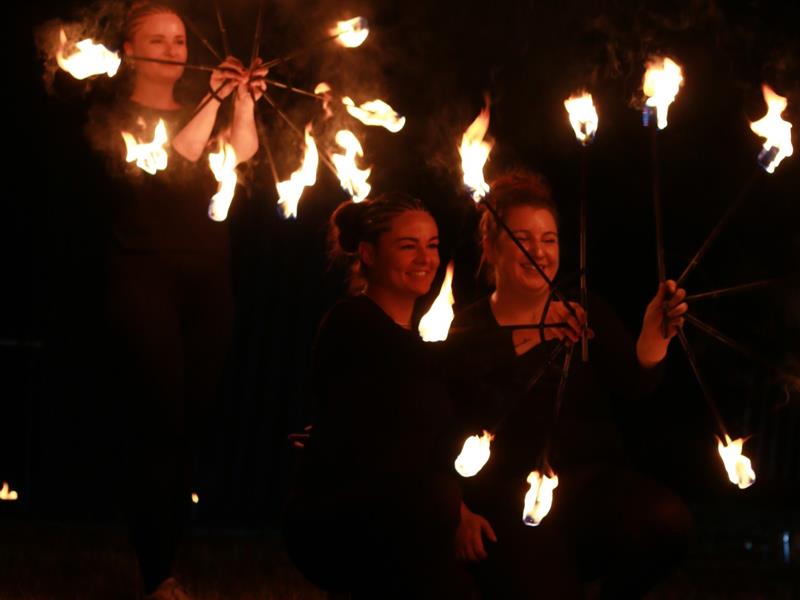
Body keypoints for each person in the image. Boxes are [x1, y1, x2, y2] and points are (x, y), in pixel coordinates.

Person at [452, 170, 693, 599]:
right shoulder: (469, 328)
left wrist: (653, 336)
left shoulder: (583, 310)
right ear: (490, 247)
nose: (539, 252)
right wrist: (458, 510)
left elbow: (634, 383)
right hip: (509, 503)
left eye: (549, 239)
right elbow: (446, 423)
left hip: (592, 487)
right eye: (523, 239)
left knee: (667, 520)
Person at [93, 3, 265, 598]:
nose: (173, 50)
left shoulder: (201, 109)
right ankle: (158, 571)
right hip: (143, 278)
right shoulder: (115, 114)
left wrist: (242, 102)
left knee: (190, 421)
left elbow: (239, 154)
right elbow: (171, 160)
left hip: (208, 279)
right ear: (129, 52)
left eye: (179, 40)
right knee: (159, 419)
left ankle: (165, 553)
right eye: (158, 40)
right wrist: (213, 98)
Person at [284, 192, 530, 599]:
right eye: (407, 246)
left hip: (409, 509)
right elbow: (423, 369)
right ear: (368, 254)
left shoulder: (417, 342)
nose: (425, 259)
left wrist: (461, 509)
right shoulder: (352, 323)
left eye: (432, 245)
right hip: (340, 516)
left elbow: (439, 435)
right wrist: (531, 331)